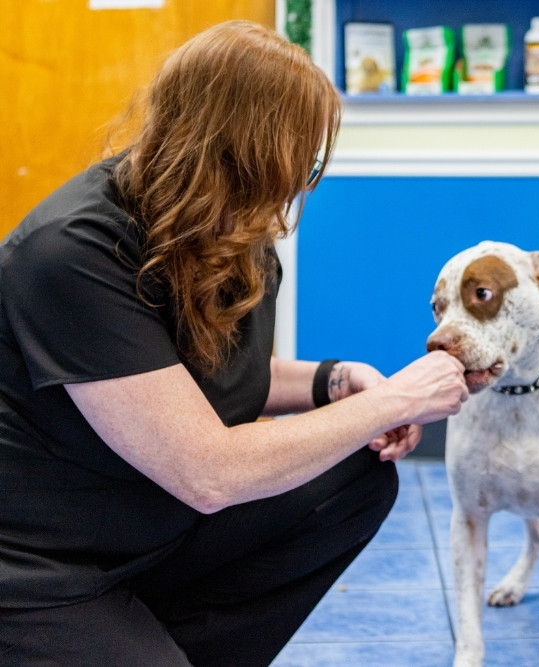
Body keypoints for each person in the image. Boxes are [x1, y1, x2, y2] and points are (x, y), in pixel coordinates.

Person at [0, 20, 468, 665]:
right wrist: (394, 402)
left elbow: (199, 373)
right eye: (297, 158)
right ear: (236, 152)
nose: (303, 182)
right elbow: (208, 472)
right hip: (42, 563)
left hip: (153, 524)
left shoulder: (227, 229)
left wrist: (334, 381)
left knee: (356, 474)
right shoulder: (72, 253)